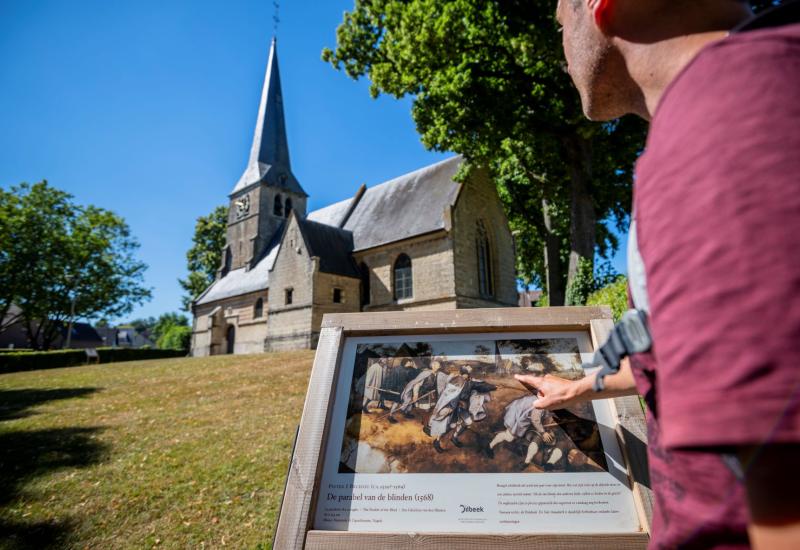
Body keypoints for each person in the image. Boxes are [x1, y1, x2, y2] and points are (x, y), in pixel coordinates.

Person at [517, 1, 800, 548]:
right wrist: (573, 387)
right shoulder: (745, 93)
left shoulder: (725, 125)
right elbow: (685, 349)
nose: (561, 53)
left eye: (559, 22)